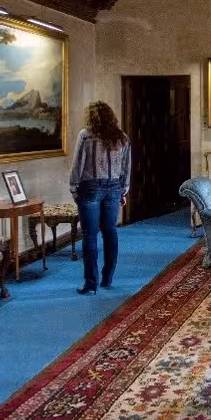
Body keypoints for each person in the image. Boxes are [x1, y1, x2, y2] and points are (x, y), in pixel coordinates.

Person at [68, 101, 131, 295]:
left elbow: (78, 164)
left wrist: (73, 188)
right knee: (110, 231)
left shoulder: (85, 135)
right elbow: (126, 167)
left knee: (90, 235)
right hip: (114, 188)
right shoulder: (122, 137)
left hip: (90, 188)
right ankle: (107, 279)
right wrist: (124, 191)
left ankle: (90, 283)